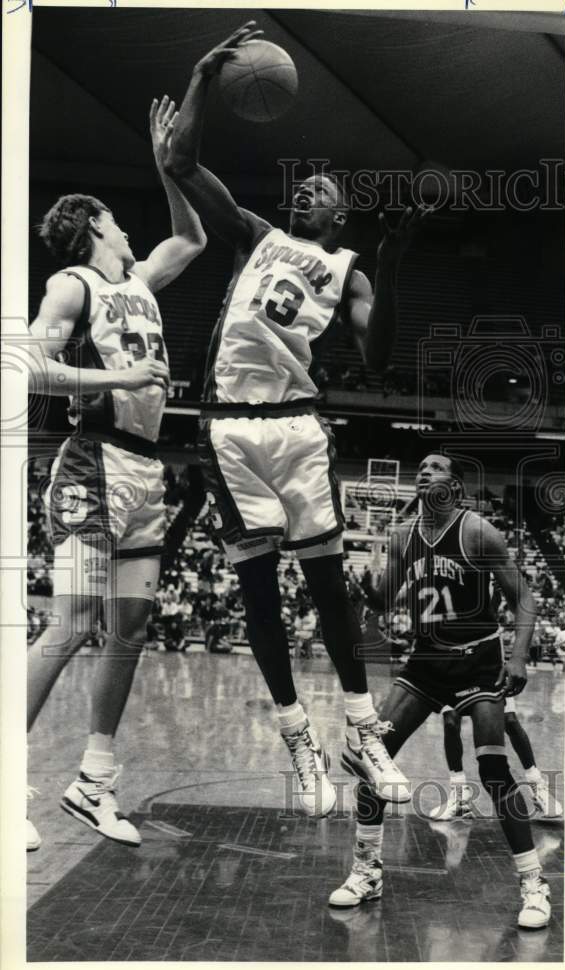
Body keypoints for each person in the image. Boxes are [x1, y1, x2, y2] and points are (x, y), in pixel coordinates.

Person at [165, 21, 430, 818]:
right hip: (228, 427)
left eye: (324, 186)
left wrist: (388, 264)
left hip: (298, 425)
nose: (308, 187)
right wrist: (205, 77)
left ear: (343, 212)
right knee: (253, 586)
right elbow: (180, 161)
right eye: (303, 183)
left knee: (326, 585)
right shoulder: (257, 234)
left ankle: (360, 730)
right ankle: (295, 737)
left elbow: (378, 357)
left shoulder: (348, 266)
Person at [26, 96, 207, 851]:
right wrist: (120, 380)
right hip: (92, 466)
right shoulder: (75, 283)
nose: (131, 232)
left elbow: (190, 237)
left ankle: (92, 780)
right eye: (118, 220)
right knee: (70, 623)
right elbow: (31, 366)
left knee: (127, 631)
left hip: (143, 475)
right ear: (98, 222)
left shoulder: (138, 284)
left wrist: (168, 166)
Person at [329, 454, 552, 930]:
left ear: (454, 484)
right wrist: (355, 584)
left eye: (435, 466)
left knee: (493, 768)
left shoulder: (477, 532)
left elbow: (525, 598)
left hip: (478, 661)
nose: (424, 470)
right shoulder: (403, 536)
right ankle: (367, 870)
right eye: (421, 466)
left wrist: (517, 657)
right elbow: (384, 599)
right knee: (375, 754)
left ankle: (534, 883)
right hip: (426, 661)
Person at [430, 697, 563, 821]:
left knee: (509, 720)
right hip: (455, 674)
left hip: (488, 674)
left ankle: (537, 786)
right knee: (450, 722)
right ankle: (459, 797)